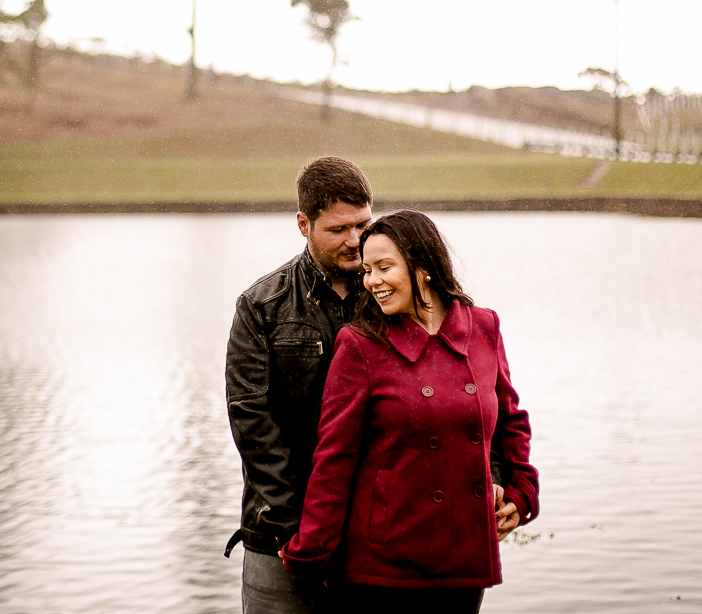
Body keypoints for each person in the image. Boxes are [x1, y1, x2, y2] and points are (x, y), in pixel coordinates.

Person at [280, 210, 539, 614]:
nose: (372, 282)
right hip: (384, 563)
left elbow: (510, 421)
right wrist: (312, 548)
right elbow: (335, 457)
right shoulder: (361, 345)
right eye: (367, 270)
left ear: (424, 268)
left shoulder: (483, 327)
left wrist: (521, 492)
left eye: (384, 267)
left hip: (463, 556)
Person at [225, 156, 374, 614]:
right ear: (303, 224)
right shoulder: (261, 305)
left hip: (378, 530)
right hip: (278, 533)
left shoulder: (393, 295)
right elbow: (252, 422)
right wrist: (303, 531)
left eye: (364, 226)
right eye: (339, 229)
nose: (355, 241)